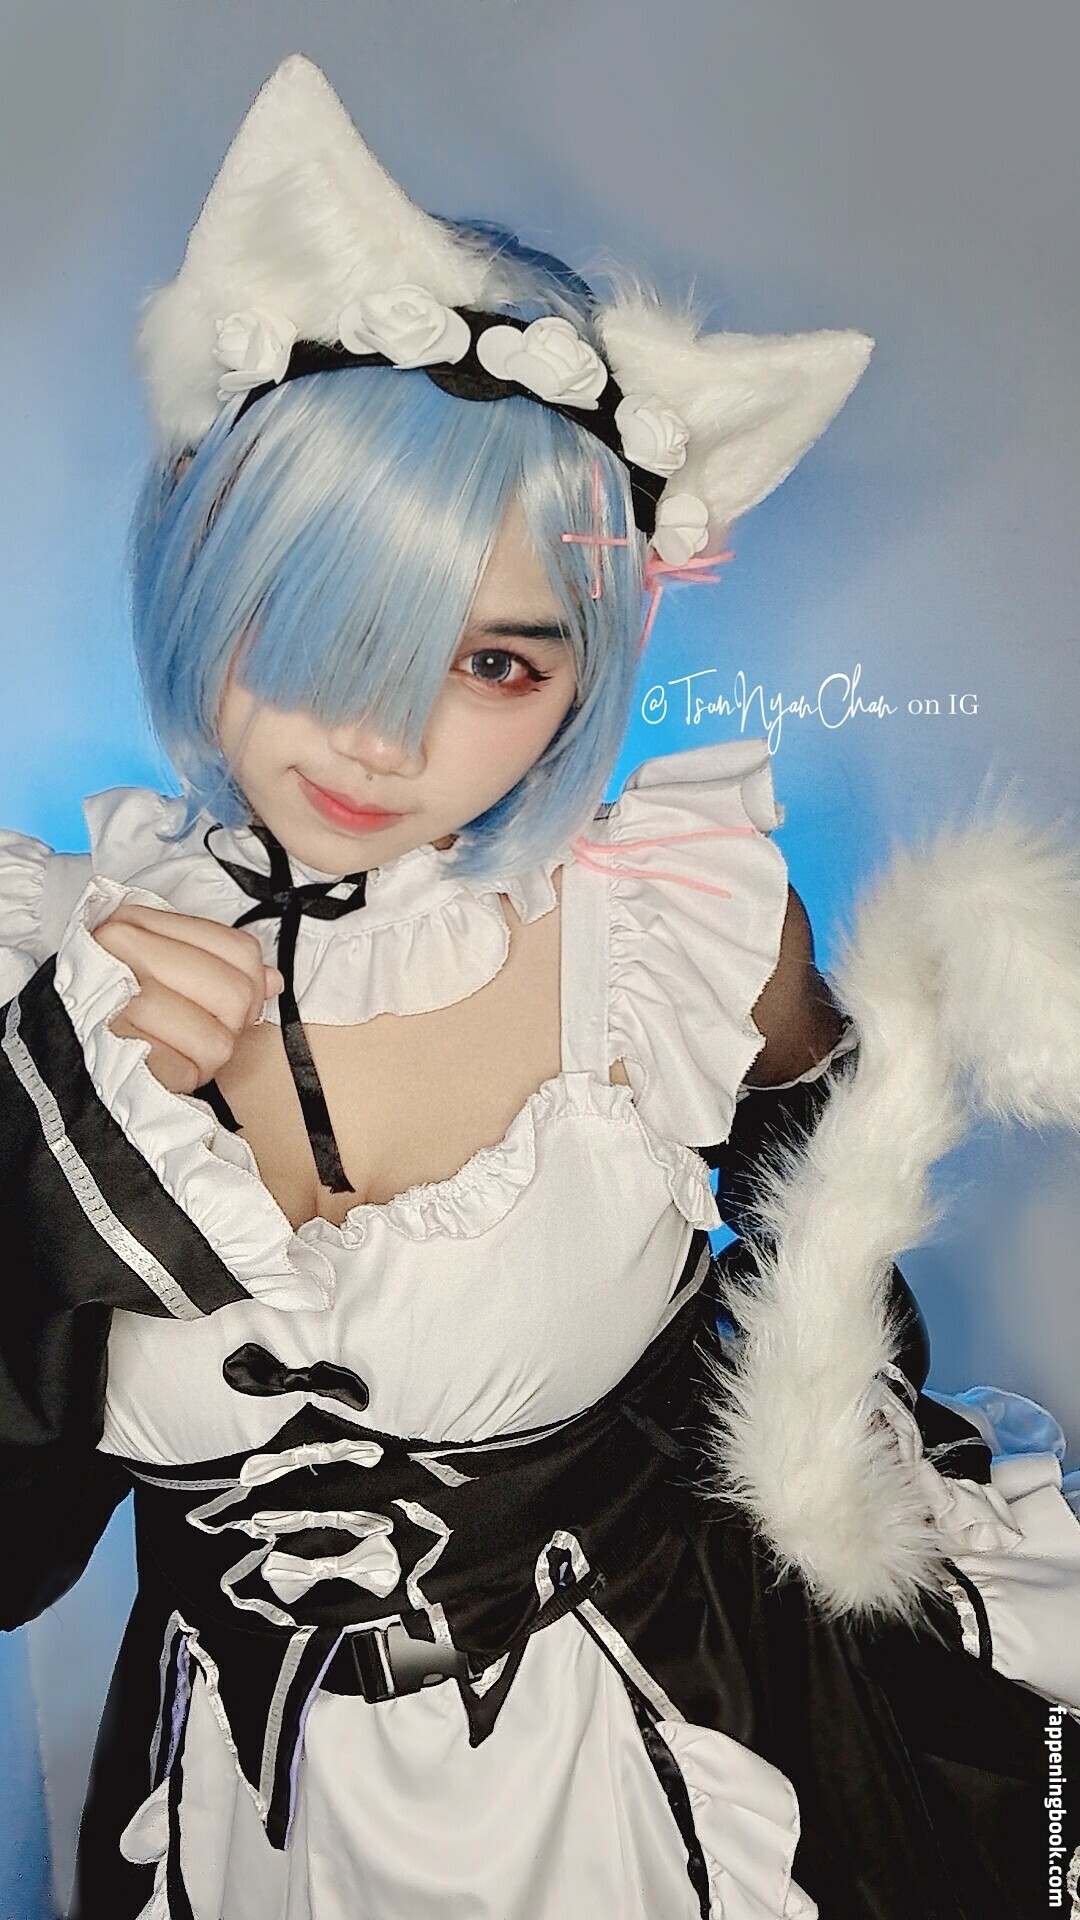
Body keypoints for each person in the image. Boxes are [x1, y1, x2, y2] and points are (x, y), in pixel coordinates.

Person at [1, 53, 1077, 1920]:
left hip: (652, 1776)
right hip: (233, 1822)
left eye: (494, 662)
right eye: (323, 619)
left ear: (587, 673)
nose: (378, 732)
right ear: (203, 566)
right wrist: (57, 1154)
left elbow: (825, 1278)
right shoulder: (51, 977)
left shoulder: (675, 933)